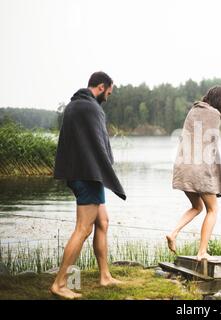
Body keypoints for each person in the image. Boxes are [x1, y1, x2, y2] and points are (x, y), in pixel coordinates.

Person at [51, 71, 126, 299]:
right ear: (102, 87)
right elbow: (99, 145)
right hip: (88, 175)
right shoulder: (92, 108)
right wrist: (108, 173)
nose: (108, 97)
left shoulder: (74, 105)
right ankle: (60, 283)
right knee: (83, 229)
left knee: (102, 221)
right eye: (109, 92)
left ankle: (105, 276)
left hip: (79, 173)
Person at [167, 86, 221, 261]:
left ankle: (173, 233)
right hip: (198, 170)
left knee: (197, 207)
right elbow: (210, 148)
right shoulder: (214, 115)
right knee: (212, 209)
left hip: (182, 168)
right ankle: (202, 252)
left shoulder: (193, 111)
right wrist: (214, 178)